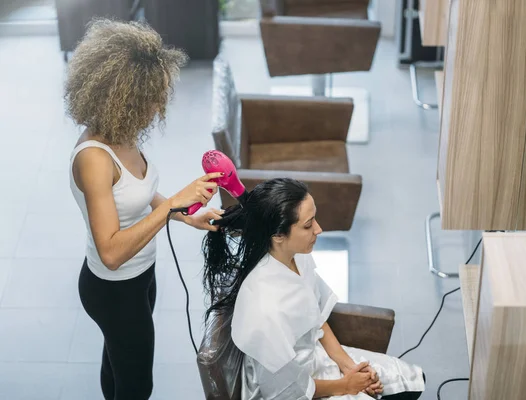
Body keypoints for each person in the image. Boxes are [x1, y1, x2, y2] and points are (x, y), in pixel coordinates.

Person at [65, 19, 224, 400]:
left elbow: (137, 194)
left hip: (140, 280)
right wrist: (171, 204)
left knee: (118, 365)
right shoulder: (94, 159)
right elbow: (112, 252)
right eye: (152, 98)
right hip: (113, 289)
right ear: (124, 97)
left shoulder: (123, 133)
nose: (158, 106)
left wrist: (186, 216)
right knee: (137, 386)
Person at [201, 178, 426, 399]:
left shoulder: (296, 256)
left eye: (314, 219)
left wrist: (347, 365)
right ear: (278, 235)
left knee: (411, 380)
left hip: (312, 359)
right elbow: (284, 391)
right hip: (289, 390)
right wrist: (345, 386)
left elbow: (315, 316)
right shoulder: (266, 309)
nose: (318, 229)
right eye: (308, 225)